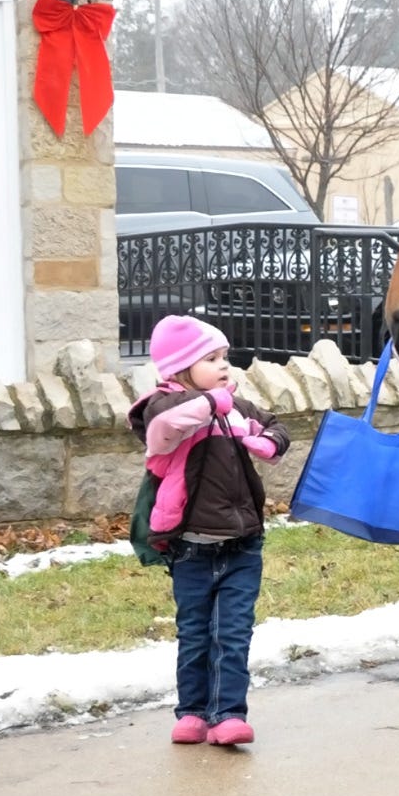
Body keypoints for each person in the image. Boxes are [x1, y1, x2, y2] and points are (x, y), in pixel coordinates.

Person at [129, 316, 290, 747]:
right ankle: (193, 713)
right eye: (212, 358)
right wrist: (213, 404)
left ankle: (227, 715)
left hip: (241, 545)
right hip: (190, 547)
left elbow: (276, 426)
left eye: (225, 358)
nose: (224, 367)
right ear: (180, 369)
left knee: (233, 634)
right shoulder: (161, 406)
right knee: (196, 633)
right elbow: (163, 432)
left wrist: (268, 442)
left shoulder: (236, 408)